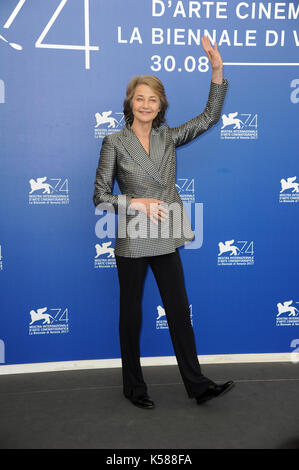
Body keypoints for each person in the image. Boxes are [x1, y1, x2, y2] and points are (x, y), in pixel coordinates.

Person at [93, 36, 234, 409]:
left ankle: (198, 385)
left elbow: (209, 117)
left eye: (152, 99)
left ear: (160, 106)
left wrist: (216, 71)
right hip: (133, 237)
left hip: (166, 236)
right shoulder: (114, 142)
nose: (145, 104)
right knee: (132, 317)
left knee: (179, 313)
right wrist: (136, 201)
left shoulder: (168, 138)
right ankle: (134, 388)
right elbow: (100, 197)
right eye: (139, 98)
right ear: (130, 103)